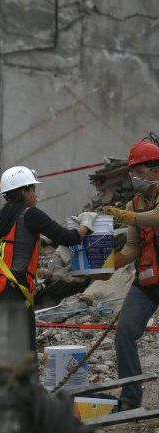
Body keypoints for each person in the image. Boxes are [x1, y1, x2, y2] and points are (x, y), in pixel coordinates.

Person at [0, 166, 93, 352]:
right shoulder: (30, 214)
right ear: (23, 191)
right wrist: (86, 225)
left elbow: (12, 251)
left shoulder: (0, 218)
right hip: (13, 293)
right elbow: (68, 238)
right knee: (23, 355)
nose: (36, 194)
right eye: (33, 189)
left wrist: (36, 271)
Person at [103, 135, 159, 411]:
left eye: (139, 170)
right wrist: (111, 263)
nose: (135, 176)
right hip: (147, 282)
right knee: (125, 333)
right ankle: (130, 399)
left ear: (155, 169)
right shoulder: (133, 205)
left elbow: (157, 217)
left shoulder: (134, 211)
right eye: (133, 171)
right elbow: (133, 248)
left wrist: (127, 218)